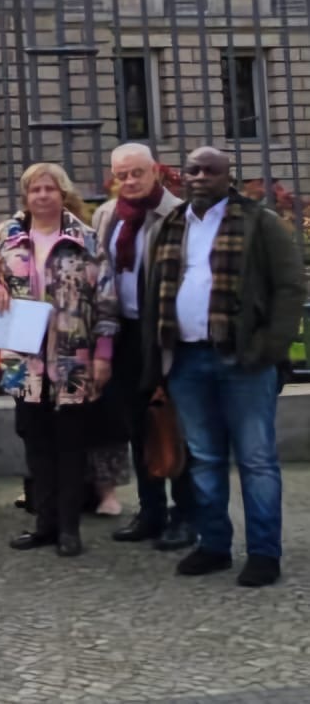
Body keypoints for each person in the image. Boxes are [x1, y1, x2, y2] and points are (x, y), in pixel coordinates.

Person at [141, 146, 305, 588]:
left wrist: (269, 348)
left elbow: (291, 288)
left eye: (209, 171)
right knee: (205, 458)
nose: (199, 177)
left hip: (244, 360)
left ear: (226, 176)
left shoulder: (258, 222)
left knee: (256, 459)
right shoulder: (170, 226)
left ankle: (264, 553)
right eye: (192, 170)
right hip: (187, 358)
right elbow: (152, 289)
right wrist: (157, 359)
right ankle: (214, 544)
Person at [0, 162, 115, 559]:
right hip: (23, 357)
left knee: (70, 444)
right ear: (26, 196)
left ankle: (69, 528)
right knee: (36, 442)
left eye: (49, 189)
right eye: (34, 190)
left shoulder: (85, 238)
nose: (42, 196)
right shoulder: (8, 234)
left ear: (63, 194)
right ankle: (44, 522)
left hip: (73, 357)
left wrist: (103, 354)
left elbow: (107, 301)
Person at [91, 143, 192, 550]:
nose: (129, 181)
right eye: (122, 175)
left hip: (164, 335)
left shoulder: (177, 215)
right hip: (123, 332)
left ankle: (185, 515)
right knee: (135, 425)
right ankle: (150, 511)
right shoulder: (106, 215)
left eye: (136, 173)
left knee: (173, 425)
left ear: (155, 171)